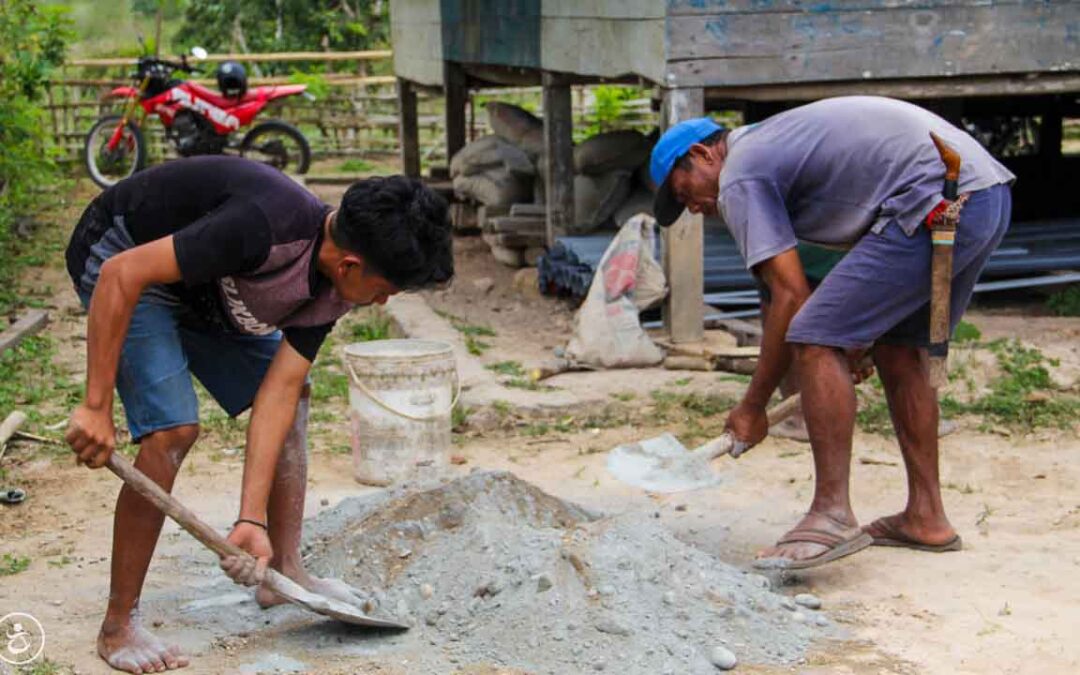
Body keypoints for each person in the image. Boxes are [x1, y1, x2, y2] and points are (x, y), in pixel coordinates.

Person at [64, 156, 453, 673]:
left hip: (203, 286)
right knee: (172, 430)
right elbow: (121, 274)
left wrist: (250, 520)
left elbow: (278, 392)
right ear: (351, 265)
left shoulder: (331, 287)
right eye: (383, 291)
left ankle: (284, 572)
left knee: (297, 399)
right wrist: (96, 406)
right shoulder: (262, 225)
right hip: (124, 257)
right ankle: (118, 625)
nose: (380, 303)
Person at [650, 96, 1014, 570]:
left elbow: (791, 297)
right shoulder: (774, 145)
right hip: (982, 195)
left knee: (813, 335)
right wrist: (857, 337)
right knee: (898, 348)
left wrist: (753, 407)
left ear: (702, 155)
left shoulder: (740, 173)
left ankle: (830, 515)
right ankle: (927, 517)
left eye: (684, 193)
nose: (695, 208)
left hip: (936, 197)